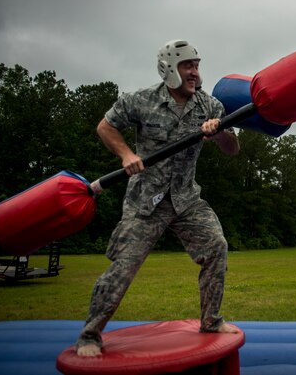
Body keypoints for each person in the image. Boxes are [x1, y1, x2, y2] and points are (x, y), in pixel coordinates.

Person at [76, 39, 240, 357]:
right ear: (169, 69)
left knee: (216, 247)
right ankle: (90, 334)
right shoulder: (140, 100)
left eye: (196, 65)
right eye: (187, 66)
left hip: (185, 198)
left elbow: (232, 150)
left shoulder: (210, 107)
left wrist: (220, 132)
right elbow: (105, 127)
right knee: (123, 266)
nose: (194, 72)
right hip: (145, 200)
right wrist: (125, 155)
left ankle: (211, 321)